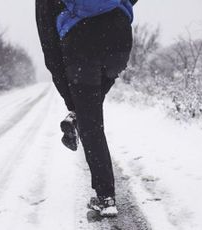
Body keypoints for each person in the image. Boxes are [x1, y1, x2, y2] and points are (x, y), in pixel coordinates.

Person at [36, 0, 138, 217]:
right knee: (91, 103)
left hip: (81, 43)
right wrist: (120, 10)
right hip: (119, 38)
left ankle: (105, 198)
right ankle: (79, 113)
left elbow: (50, 49)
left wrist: (70, 101)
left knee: (90, 121)